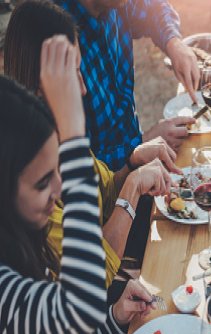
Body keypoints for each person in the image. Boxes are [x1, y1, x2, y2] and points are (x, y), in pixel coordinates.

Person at [0, 36, 155, 334]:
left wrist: (114, 318)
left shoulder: (26, 248)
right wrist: (69, 127)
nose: (60, 191)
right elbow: (78, 302)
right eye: (44, 181)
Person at [4, 0, 180, 288]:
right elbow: (94, 271)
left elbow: (105, 188)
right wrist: (133, 185)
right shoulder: (29, 180)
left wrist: (133, 160)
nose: (83, 87)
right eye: (75, 73)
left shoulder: (57, 134)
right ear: (41, 83)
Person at [53, 0, 199, 170]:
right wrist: (142, 144)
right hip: (111, 188)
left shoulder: (117, 4)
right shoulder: (55, 37)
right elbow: (75, 169)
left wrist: (173, 43)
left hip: (140, 164)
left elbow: (155, 8)